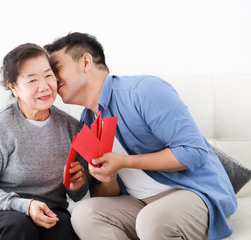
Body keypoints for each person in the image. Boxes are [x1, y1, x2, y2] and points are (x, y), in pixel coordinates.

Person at [44, 32, 237, 240]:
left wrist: (125, 161)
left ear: (86, 62)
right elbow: (105, 194)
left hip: (194, 195)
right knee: (83, 214)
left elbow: (194, 153)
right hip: (140, 204)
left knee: (151, 220)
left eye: (57, 69)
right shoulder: (87, 123)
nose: (52, 79)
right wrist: (108, 178)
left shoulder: (143, 91)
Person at [0, 43, 88, 240]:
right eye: (32, 80)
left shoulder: (72, 128)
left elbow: (77, 196)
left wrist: (77, 186)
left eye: (48, 75)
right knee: (18, 227)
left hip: (46, 210)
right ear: (13, 87)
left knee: (65, 230)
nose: (44, 86)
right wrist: (26, 206)